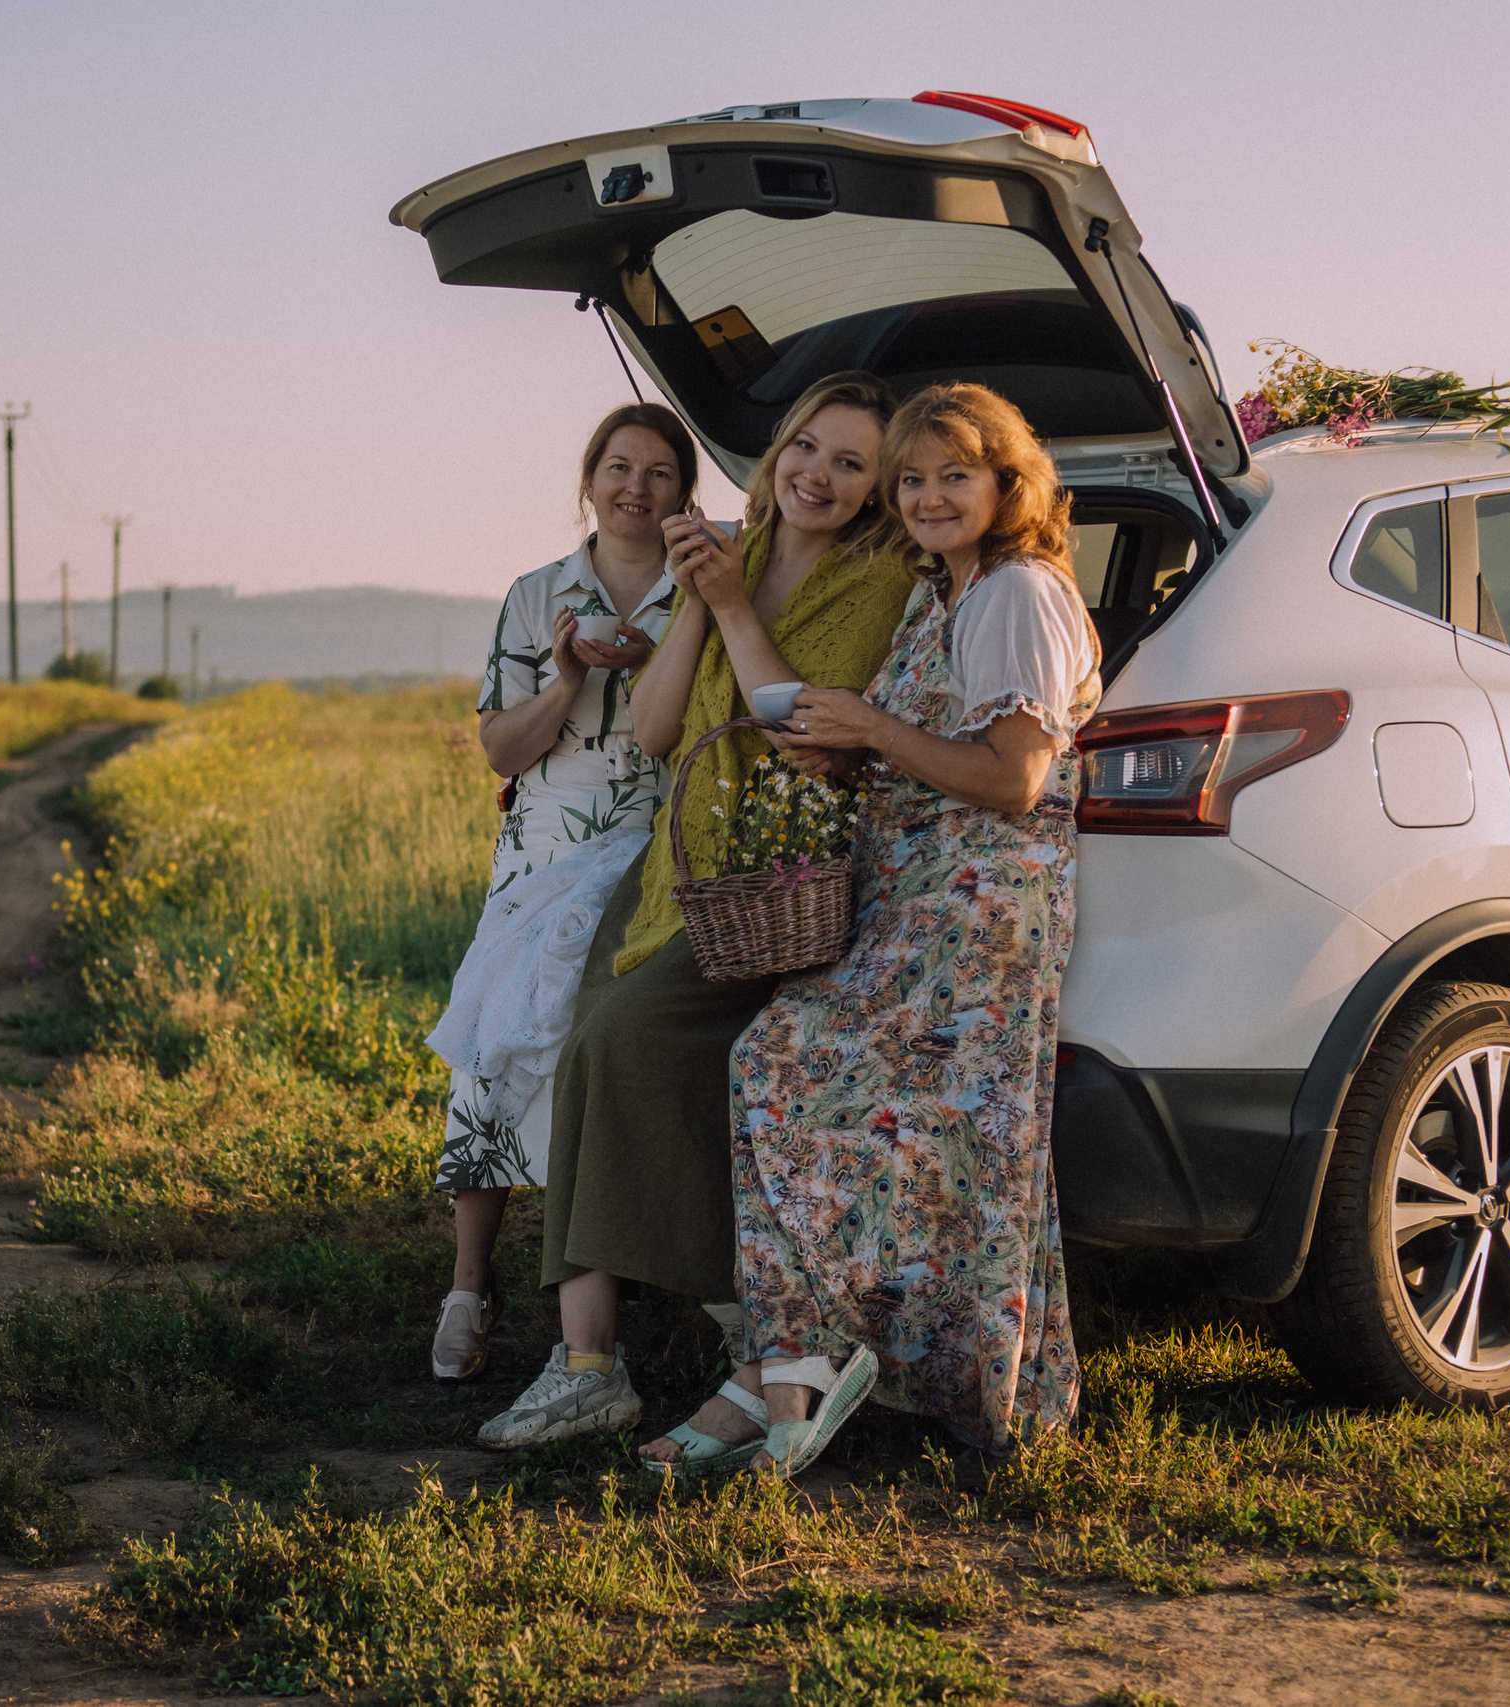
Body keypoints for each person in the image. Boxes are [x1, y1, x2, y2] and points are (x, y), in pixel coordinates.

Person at [473, 373, 916, 1451]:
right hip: (680, 872)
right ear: (776, 455)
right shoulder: (742, 550)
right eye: (805, 448)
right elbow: (667, 731)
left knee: (625, 1046)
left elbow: (796, 724)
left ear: (872, 492)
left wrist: (723, 606)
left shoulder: (877, 580)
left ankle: (750, 1328)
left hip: (773, 884)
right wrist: (701, 597)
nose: (817, 474)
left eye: (849, 463)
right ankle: (587, 1363)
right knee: (590, 1050)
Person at [721, 380, 1103, 1478]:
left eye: (954, 475)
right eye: (913, 479)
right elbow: (934, 747)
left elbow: (1017, 777)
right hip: (919, 895)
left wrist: (875, 726)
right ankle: (824, 1361)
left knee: (802, 1075)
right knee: (927, 1146)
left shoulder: (1020, 594)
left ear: (1004, 481)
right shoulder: (949, 593)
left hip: (981, 909)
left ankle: (860, 1369)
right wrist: (851, 748)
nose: (930, 497)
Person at [429, 401, 698, 1384]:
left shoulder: (700, 590)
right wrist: (567, 680)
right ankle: (468, 1283)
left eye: (658, 472)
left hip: (660, 842)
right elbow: (498, 748)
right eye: (618, 467)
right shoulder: (537, 592)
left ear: (683, 491)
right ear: (589, 478)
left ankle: (610, 1287)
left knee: (603, 1052)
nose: (635, 487)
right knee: (498, 1050)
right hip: (545, 840)